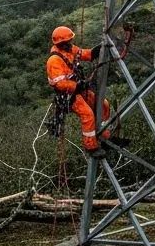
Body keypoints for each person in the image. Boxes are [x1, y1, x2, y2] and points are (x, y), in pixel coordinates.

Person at [46, 25, 110, 155]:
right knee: (88, 115)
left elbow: (84, 54)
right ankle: (91, 147)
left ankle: (105, 134)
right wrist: (77, 85)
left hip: (79, 89)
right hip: (68, 95)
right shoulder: (54, 60)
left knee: (103, 105)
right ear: (60, 43)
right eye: (67, 42)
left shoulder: (70, 50)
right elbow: (59, 84)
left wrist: (97, 50)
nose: (69, 44)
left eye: (70, 41)